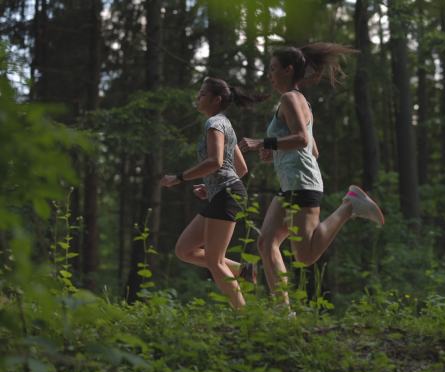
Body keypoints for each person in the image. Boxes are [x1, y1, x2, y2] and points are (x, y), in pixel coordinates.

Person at [239, 43, 384, 304]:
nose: (269, 75)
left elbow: (302, 139)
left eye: (273, 69)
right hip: (292, 184)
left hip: (302, 185)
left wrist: (264, 143)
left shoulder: (290, 99)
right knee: (266, 243)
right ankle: (283, 312)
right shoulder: (299, 102)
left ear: (289, 70)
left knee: (305, 256)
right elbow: (313, 150)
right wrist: (276, 151)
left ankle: (349, 206)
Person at [161, 77, 265, 309]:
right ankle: (244, 270)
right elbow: (241, 168)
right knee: (184, 249)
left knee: (214, 260)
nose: (198, 97)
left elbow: (215, 161)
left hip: (228, 194)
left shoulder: (214, 124)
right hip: (223, 193)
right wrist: (210, 187)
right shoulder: (225, 124)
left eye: (202, 94)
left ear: (216, 100)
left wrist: (179, 178)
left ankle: (244, 315)